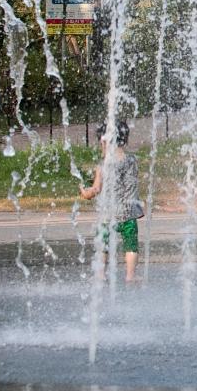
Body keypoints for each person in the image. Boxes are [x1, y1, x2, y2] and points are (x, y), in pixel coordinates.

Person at [80, 119, 143, 282]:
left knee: (103, 244)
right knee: (131, 245)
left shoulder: (102, 165)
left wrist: (85, 193)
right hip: (129, 213)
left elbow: (96, 189)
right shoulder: (133, 160)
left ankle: (101, 274)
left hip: (107, 214)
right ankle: (130, 276)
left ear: (105, 141)